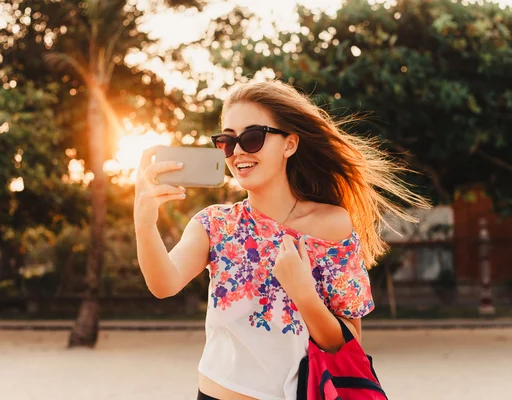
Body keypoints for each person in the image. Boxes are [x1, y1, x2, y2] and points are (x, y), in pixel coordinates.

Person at [134, 80, 428, 400]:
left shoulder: (331, 225)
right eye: (228, 142)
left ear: (289, 144)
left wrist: (303, 292)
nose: (238, 152)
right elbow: (163, 284)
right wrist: (145, 223)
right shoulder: (213, 224)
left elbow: (349, 344)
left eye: (252, 137)